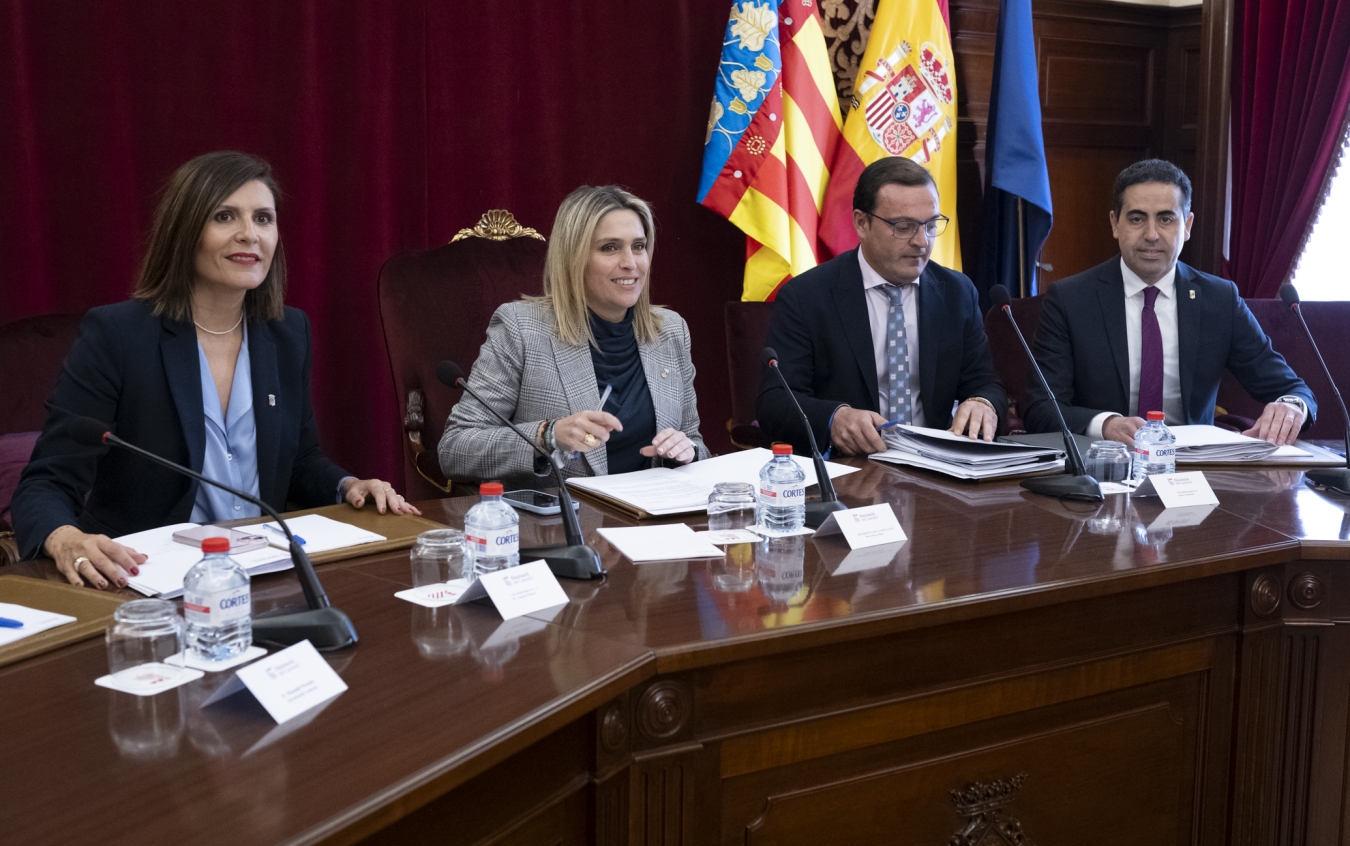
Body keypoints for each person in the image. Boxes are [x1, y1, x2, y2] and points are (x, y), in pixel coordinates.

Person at [12, 151, 418, 591]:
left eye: (264, 219)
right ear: (184, 232)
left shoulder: (287, 333)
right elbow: (46, 482)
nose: (250, 234)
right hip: (142, 584)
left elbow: (298, 460)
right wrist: (65, 537)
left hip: (261, 577)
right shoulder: (119, 335)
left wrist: (349, 485)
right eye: (225, 216)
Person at [1023, 158, 1316, 444]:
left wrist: (1291, 406)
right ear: (1115, 224)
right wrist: (1106, 424)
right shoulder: (1071, 299)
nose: (1151, 235)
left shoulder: (1219, 299)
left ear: (1186, 226)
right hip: (1104, 464)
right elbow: (1040, 409)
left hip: (1193, 471)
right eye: (1137, 219)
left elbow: (1292, 388)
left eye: (1166, 219)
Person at [438, 185, 710, 484]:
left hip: (652, 519)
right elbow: (456, 449)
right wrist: (547, 435)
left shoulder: (670, 331)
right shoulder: (522, 328)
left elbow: (695, 442)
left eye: (639, 246)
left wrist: (689, 452)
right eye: (609, 247)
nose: (630, 263)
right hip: (560, 523)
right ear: (573, 257)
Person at [757, 157, 1007, 456]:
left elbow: (985, 383)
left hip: (937, 470)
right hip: (850, 470)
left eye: (930, 225)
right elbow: (775, 401)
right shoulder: (807, 296)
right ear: (862, 223)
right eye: (904, 227)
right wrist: (835, 417)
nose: (922, 242)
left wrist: (983, 403)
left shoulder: (956, 292)